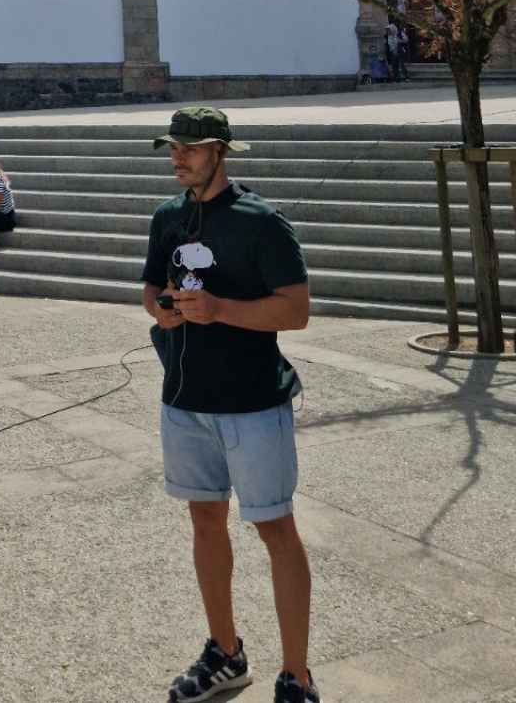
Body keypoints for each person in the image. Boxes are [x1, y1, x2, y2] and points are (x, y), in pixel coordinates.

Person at [142, 107, 318, 703]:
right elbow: (149, 289)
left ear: (220, 151)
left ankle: (296, 675)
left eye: (189, 149)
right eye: (174, 148)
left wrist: (220, 310)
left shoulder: (261, 223)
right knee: (204, 521)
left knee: (275, 529)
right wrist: (163, 307)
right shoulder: (167, 217)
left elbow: (294, 310)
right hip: (185, 400)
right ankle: (225, 652)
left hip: (252, 403)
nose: (177, 158)